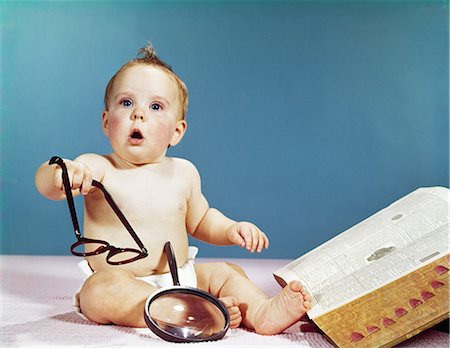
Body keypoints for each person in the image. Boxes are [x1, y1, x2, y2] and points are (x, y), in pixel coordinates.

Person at [34, 44, 311, 335]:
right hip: (123, 281)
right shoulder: (96, 167)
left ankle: (261, 312)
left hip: (182, 278)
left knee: (226, 273)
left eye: (155, 107)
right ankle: (178, 312)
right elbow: (48, 186)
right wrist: (59, 173)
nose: (138, 114)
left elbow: (202, 220)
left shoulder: (184, 172)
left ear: (176, 131)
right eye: (126, 103)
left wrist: (231, 229)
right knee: (99, 291)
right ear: (106, 122)